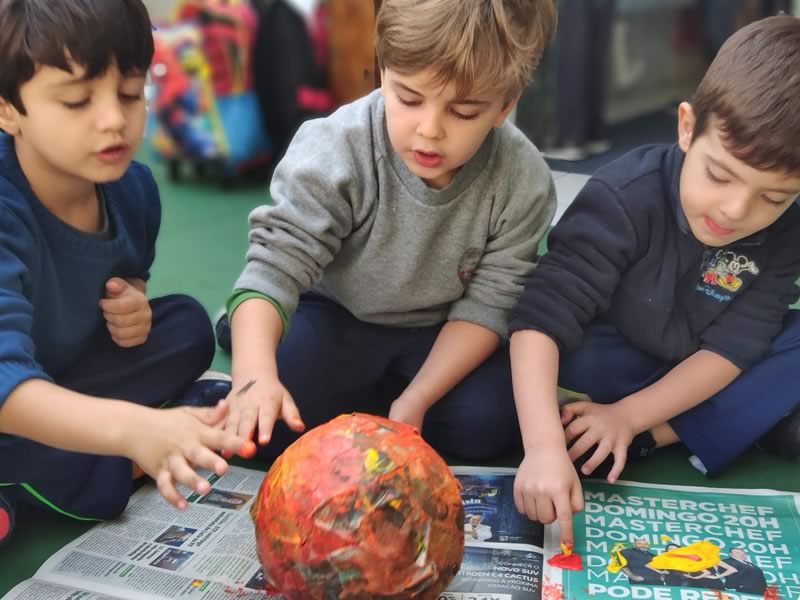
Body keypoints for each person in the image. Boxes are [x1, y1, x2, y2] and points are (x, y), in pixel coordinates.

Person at [218, 0, 558, 462]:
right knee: (267, 426)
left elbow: (488, 306)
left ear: (505, 105)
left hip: (437, 332)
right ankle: (246, 333)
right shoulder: (338, 146)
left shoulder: (523, 179)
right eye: (409, 98)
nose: (429, 129)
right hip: (335, 314)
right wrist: (253, 378)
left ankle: (374, 394)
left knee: (490, 424)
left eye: (463, 112)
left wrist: (416, 399)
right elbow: (274, 269)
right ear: (382, 71)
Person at [508, 15, 800, 546]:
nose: (736, 210)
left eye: (775, 198)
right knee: (493, 403)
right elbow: (541, 318)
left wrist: (631, 417)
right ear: (687, 127)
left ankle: (648, 437)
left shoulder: (785, 233)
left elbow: (738, 347)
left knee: (794, 339)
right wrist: (545, 446)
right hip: (607, 359)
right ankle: (719, 425)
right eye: (719, 174)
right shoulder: (626, 194)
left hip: (692, 373)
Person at [0, 0, 249, 547]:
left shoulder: (131, 188)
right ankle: (52, 475)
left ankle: (101, 444)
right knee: (78, 468)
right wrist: (135, 431)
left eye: (131, 94)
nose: (114, 118)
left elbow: (128, 277)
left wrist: (133, 305)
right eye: (77, 101)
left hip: (65, 374)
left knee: (184, 323)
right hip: (11, 399)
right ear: (7, 110)